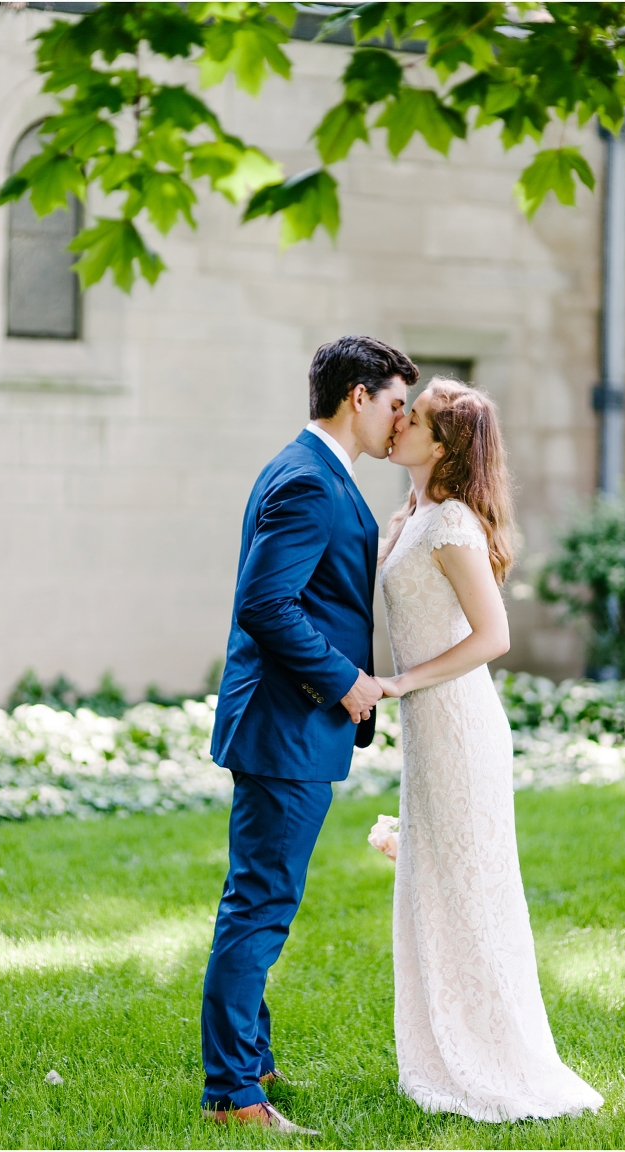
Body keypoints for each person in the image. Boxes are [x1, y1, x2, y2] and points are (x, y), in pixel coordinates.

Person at [201, 335, 419, 1133]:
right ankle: (231, 1094)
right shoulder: (309, 482)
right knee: (259, 906)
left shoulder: (312, 469)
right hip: (286, 724)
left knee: (261, 899)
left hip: (285, 724)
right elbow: (267, 605)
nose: (402, 422)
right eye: (396, 404)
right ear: (357, 396)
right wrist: (347, 680)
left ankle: (250, 1063)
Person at [375, 378, 604, 1122]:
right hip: (428, 727)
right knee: (435, 888)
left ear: (443, 448)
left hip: (460, 724)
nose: (399, 421)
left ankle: (498, 1057)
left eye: (417, 419)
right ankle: (442, 1048)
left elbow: (493, 637)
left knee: (470, 891)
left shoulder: (450, 526)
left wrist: (402, 681)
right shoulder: (410, 516)